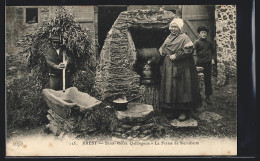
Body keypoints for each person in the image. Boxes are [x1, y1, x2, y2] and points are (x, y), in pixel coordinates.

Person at [159, 18, 201, 121]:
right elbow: (164, 47)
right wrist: (161, 49)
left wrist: (177, 56)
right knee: (171, 87)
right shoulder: (169, 37)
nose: (173, 29)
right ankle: (172, 110)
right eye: (172, 27)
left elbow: (189, 50)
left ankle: (183, 111)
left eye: (175, 27)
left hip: (182, 67)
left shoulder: (184, 37)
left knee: (182, 88)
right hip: (169, 66)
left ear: (180, 28)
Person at [194, 26, 216, 104]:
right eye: (202, 33)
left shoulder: (209, 42)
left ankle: (208, 96)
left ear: (206, 34)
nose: (203, 34)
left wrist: (212, 59)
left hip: (207, 63)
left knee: (207, 79)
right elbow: (192, 50)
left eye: (205, 33)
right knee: (197, 79)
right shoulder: (197, 42)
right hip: (199, 63)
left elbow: (213, 52)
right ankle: (197, 96)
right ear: (199, 34)